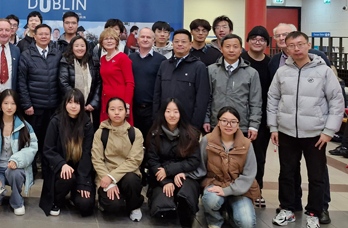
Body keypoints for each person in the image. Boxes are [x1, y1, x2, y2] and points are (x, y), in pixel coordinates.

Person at [268, 31, 344, 228]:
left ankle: (314, 212)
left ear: (308, 45)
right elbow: (273, 99)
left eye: (300, 44)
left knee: (316, 175)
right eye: (291, 45)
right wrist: (273, 127)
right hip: (286, 132)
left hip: (315, 134)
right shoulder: (282, 71)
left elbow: (336, 101)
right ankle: (287, 209)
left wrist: (329, 131)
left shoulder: (324, 71)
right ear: (287, 47)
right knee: (287, 173)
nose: (296, 49)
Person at [193, 107, 260, 228]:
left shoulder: (246, 144)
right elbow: (200, 167)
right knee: (211, 199)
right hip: (215, 184)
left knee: (247, 223)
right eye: (224, 120)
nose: (228, 125)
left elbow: (248, 175)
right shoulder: (207, 141)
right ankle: (215, 219)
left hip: (240, 190)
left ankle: (230, 210)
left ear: (238, 124)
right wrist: (183, 174)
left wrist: (227, 191)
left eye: (233, 122)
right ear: (218, 122)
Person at [0, 89, 38, 216]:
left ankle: (17, 200)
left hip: (13, 168)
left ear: (17, 106)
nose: (9, 107)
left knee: (15, 173)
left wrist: (16, 160)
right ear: (0, 105)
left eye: (13, 103)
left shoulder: (24, 126)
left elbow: (32, 148)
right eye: (5, 103)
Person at [39, 89, 96, 216]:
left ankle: (74, 194)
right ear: (65, 104)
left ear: (82, 105)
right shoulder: (56, 121)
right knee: (67, 177)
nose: (73, 106)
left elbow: (87, 154)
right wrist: (62, 164)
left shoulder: (87, 125)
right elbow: (48, 149)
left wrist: (83, 183)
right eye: (70, 102)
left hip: (80, 170)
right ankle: (57, 201)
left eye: (77, 103)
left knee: (86, 206)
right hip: (60, 170)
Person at [146, 98, 201, 228]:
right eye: (168, 111)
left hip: (184, 175)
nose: (172, 115)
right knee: (163, 208)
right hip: (161, 177)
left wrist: (173, 171)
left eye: (175, 112)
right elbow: (152, 161)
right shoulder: (155, 133)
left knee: (186, 200)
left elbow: (194, 161)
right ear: (163, 113)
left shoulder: (191, 134)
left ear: (181, 113)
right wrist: (166, 181)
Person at [92, 97, 145, 222]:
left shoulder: (135, 133)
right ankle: (106, 200)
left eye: (120, 109)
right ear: (107, 112)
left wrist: (113, 177)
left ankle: (134, 206)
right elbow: (97, 159)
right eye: (113, 109)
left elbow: (134, 161)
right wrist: (108, 180)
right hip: (105, 175)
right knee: (114, 206)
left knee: (132, 180)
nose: (116, 112)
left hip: (128, 174)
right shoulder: (100, 133)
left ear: (126, 112)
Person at [18, 24, 62, 169]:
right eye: (40, 34)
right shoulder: (26, 54)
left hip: (53, 107)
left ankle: (47, 170)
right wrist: (27, 104)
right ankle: (30, 170)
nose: (44, 37)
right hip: (34, 107)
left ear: (51, 36)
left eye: (46, 34)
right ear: (34, 36)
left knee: (49, 141)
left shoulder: (57, 53)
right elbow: (22, 82)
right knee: (32, 140)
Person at [204, 33, 262, 138]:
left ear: (241, 49)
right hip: (216, 124)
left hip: (242, 126)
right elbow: (206, 98)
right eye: (227, 46)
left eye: (235, 47)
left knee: (239, 154)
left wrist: (254, 125)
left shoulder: (251, 73)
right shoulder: (211, 70)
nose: (231, 50)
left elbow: (256, 101)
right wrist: (206, 119)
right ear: (221, 49)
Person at [240, 26, 272, 207]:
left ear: (266, 43)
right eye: (254, 38)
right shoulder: (240, 60)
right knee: (238, 156)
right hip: (240, 118)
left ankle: (257, 190)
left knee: (258, 157)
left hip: (262, 119)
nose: (257, 42)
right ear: (248, 41)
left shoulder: (271, 63)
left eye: (261, 39)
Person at [152, 29, 209, 130]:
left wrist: (195, 126)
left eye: (183, 42)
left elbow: (202, 99)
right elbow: (157, 94)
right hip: (164, 123)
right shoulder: (164, 65)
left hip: (188, 123)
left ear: (190, 44)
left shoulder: (198, 66)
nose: (180, 44)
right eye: (176, 41)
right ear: (172, 43)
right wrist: (157, 119)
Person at [129, 28, 166, 137]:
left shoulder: (161, 60)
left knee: (151, 143)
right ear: (138, 39)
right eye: (143, 37)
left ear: (153, 41)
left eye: (148, 37)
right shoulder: (130, 58)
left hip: (152, 110)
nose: (145, 39)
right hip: (133, 110)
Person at [59, 36, 101, 125]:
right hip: (72, 106)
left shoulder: (93, 61)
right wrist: (76, 102)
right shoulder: (65, 61)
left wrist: (93, 103)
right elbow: (64, 83)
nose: (80, 48)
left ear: (86, 47)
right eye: (76, 46)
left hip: (90, 108)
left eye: (82, 46)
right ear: (72, 47)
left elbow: (98, 83)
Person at [98, 28, 135, 126]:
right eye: (106, 39)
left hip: (120, 101)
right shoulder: (102, 59)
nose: (109, 41)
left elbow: (130, 83)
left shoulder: (123, 58)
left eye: (112, 38)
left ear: (116, 41)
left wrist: (126, 104)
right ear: (101, 43)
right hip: (106, 100)